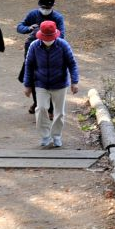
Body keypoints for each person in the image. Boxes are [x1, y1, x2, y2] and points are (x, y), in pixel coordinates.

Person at [23, 20, 80, 148]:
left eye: (50, 38)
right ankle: (45, 135)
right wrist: (27, 85)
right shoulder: (34, 46)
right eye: (45, 38)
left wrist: (74, 82)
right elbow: (29, 65)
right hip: (41, 83)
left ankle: (56, 135)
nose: (48, 40)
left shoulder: (63, 45)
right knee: (41, 108)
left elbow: (72, 63)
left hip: (60, 83)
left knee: (59, 112)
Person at [17, 0, 66, 115]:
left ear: (53, 6)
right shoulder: (33, 14)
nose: (45, 10)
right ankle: (37, 102)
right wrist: (29, 28)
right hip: (32, 49)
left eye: (48, 7)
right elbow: (19, 27)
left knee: (49, 78)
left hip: (51, 51)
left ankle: (50, 108)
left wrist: (49, 36)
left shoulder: (58, 18)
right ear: (39, 5)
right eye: (43, 7)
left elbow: (62, 35)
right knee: (34, 77)